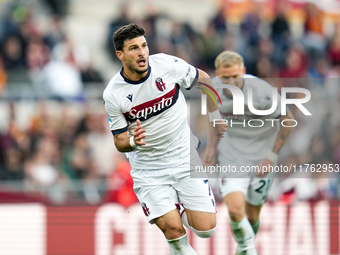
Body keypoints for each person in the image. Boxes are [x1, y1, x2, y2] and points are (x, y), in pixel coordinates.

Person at [103, 23, 226, 255]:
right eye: (133, 48)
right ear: (120, 55)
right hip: (149, 169)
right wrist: (132, 142)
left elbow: (205, 80)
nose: (142, 52)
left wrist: (215, 115)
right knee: (174, 233)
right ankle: (169, 213)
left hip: (184, 158)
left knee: (206, 229)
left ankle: (175, 207)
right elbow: (119, 140)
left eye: (144, 46)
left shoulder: (168, 66)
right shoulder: (113, 94)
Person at [203, 51, 294, 255]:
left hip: (262, 157)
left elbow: (288, 121)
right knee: (235, 211)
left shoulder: (262, 92)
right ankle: (248, 249)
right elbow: (213, 118)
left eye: (236, 76)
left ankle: (242, 250)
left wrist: (271, 156)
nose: (231, 81)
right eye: (226, 77)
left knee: (252, 216)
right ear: (218, 74)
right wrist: (211, 147)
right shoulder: (212, 91)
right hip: (231, 156)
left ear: (243, 71)